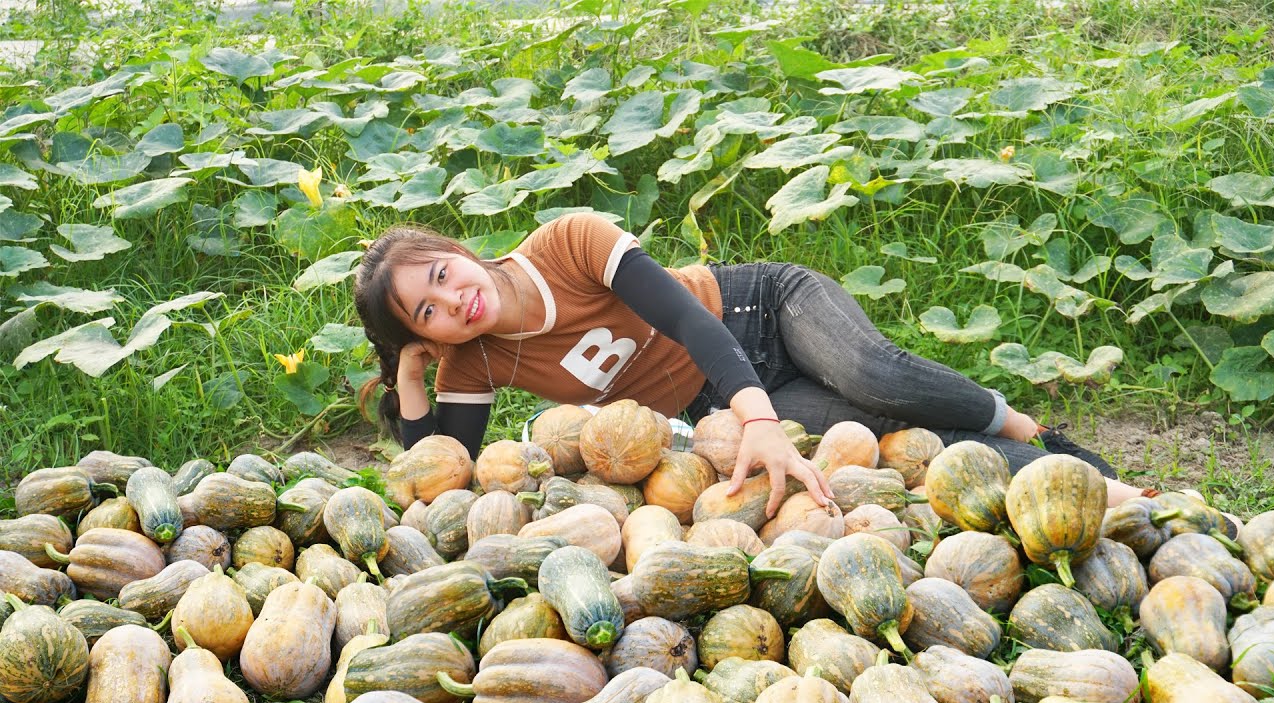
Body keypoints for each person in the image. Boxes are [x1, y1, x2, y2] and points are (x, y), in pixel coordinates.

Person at [355, 212, 1146, 515]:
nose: (451, 302)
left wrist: (759, 418)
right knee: (889, 438)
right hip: (718, 408)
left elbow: (690, 324)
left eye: (440, 276)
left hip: (760, 311)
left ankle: (1029, 426)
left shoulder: (569, 242)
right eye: (425, 313)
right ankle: (1090, 489)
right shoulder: (471, 360)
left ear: (454, 250)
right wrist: (414, 376)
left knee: (874, 374)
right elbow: (445, 472)